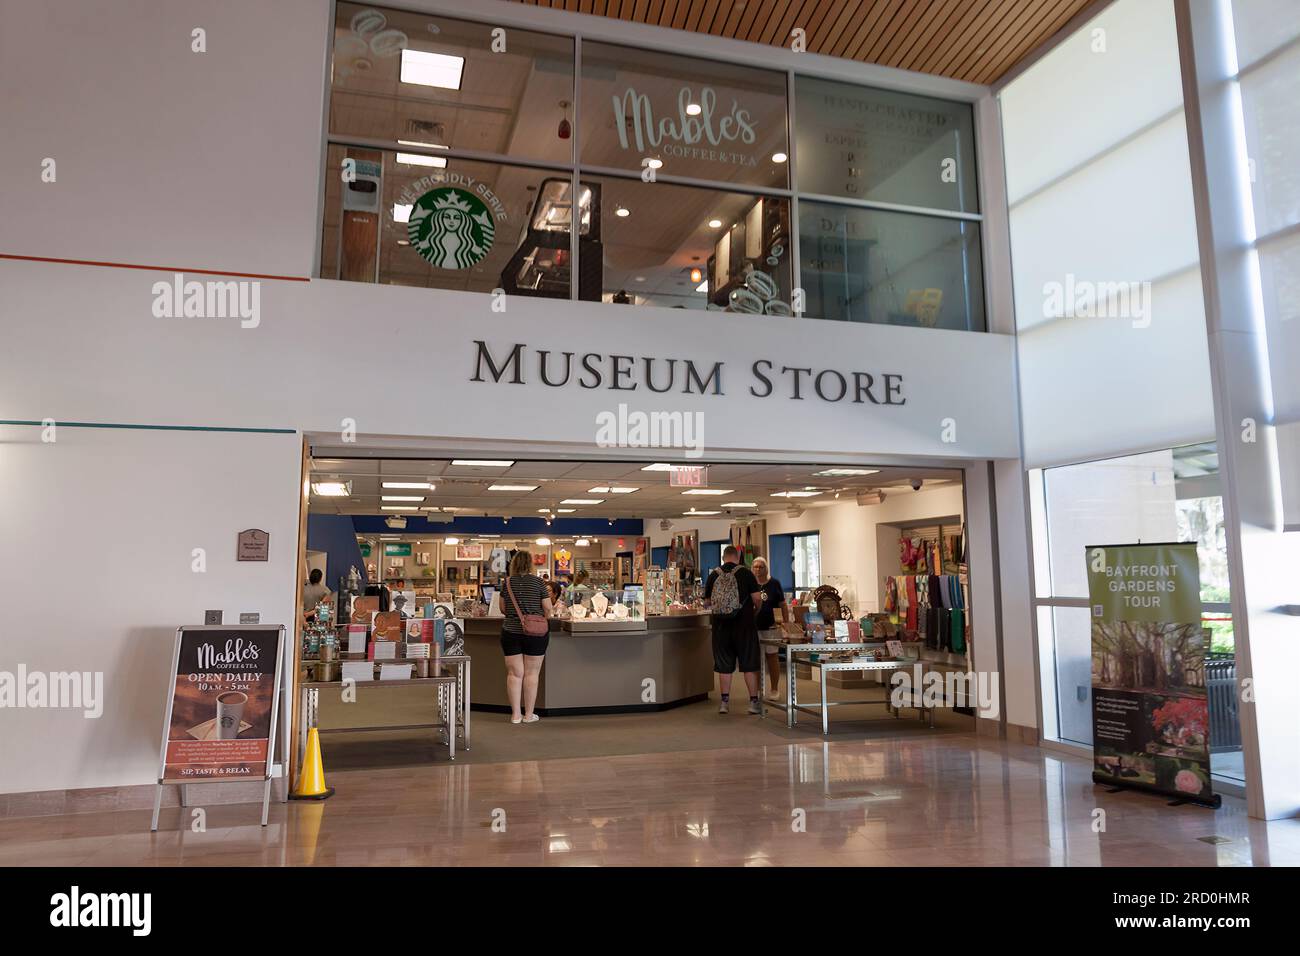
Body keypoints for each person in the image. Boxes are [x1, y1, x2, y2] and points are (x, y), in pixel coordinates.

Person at [703, 545, 764, 715]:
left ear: (723, 557)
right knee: (749, 664)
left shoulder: (714, 574)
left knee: (724, 666)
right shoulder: (746, 573)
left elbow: (707, 602)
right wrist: (753, 612)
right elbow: (757, 599)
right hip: (744, 626)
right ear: (737, 557)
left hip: (721, 626)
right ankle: (753, 702)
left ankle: (724, 703)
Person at [501, 551, 553, 724]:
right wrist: (541, 616)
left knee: (514, 674)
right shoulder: (539, 582)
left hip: (511, 631)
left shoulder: (507, 582)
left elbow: (502, 608)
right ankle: (529, 715)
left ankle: (515, 715)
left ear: (513, 564)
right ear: (531, 564)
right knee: (532, 674)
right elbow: (548, 608)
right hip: (536, 633)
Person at [751, 557, 791, 698]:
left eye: (760, 567)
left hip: (771, 627)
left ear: (766, 568)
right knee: (755, 659)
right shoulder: (750, 583)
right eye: (755, 566)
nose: (758, 569)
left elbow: (783, 605)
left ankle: (774, 689)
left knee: (772, 657)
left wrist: (786, 623)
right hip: (753, 627)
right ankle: (756, 690)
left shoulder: (774, 583)